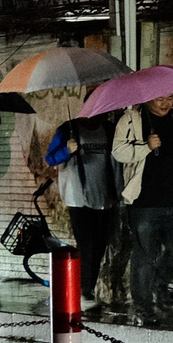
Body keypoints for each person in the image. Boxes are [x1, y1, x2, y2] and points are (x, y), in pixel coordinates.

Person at [113, 89, 173, 322]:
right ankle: (143, 308)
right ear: (148, 97)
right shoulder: (132, 118)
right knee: (145, 255)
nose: (165, 103)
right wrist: (145, 146)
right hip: (145, 202)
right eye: (160, 98)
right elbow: (118, 151)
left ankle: (159, 283)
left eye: (169, 98)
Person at [45, 109, 122, 305]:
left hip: (104, 197)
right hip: (77, 198)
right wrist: (66, 150)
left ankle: (87, 288)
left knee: (99, 245)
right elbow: (50, 158)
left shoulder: (109, 129)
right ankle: (83, 290)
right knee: (86, 243)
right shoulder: (68, 129)